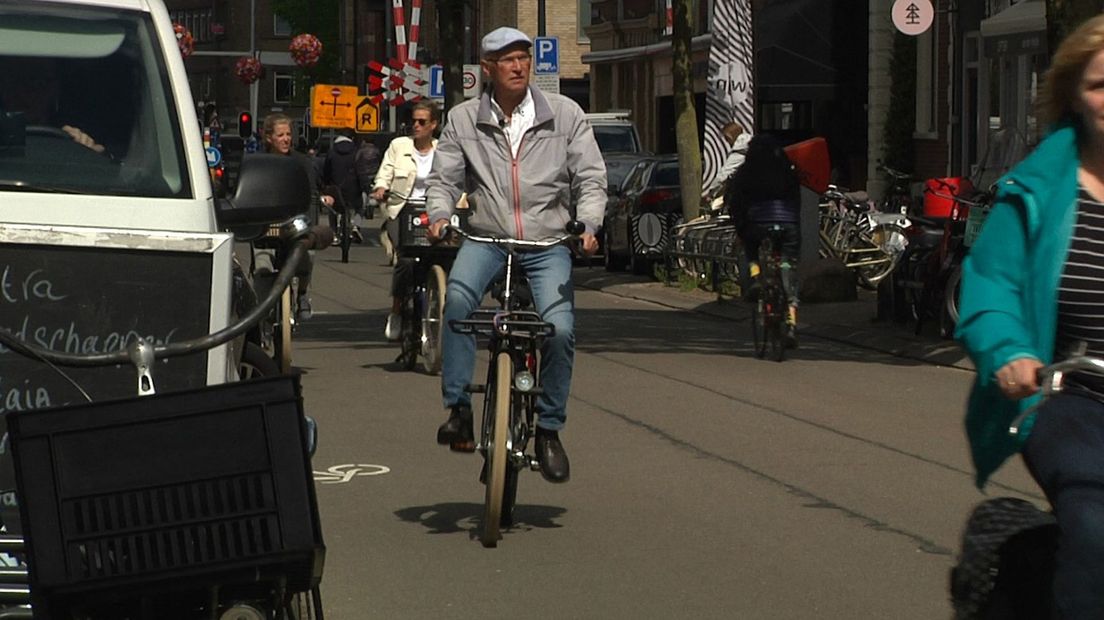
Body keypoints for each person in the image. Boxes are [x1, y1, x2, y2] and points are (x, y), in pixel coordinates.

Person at [956, 15, 1104, 618]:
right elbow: (991, 287)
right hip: (1073, 398)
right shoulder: (1040, 189)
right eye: (1100, 85)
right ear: (1074, 95)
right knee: (1096, 524)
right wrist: (1009, 351)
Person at [424, 26, 606, 483]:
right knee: (460, 304)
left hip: (547, 244)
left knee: (560, 329)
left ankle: (548, 429)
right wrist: (440, 217)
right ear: (488, 68)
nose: (519, 65)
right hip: (486, 237)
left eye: (524, 57)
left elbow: (590, 177)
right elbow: (444, 181)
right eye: (507, 59)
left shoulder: (565, 114)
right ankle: (460, 409)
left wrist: (588, 225)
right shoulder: (464, 119)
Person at [371, 100, 441, 340]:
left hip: (433, 212)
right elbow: (385, 172)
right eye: (413, 121)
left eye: (422, 122)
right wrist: (381, 188)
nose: (416, 125)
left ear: (434, 124)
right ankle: (397, 311)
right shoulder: (399, 146)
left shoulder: (443, 150)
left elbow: (455, 181)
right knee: (406, 261)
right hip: (402, 210)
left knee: (446, 256)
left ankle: (441, 304)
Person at [724, 133, 801, 347]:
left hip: (758, 223)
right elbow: (797, 199)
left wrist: (741, 228)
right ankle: (791, 322)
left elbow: (736, 201)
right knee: (788, 265)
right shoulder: (788, 170)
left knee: (751, 248)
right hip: (788, 224)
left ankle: (756, 278)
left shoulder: (746, 172)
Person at [260, 113, 336, 320]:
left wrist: (310, 223)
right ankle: (261, 310)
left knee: (306, 254)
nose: (286, 139)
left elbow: (310, 195)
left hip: (294, 222)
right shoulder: (258, 163)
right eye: (280, 135)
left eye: (288, 134)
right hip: (266, 224)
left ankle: (302, 293)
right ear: (268, 138)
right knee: (262, 264)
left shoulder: (301, 162)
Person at [0, 56, 104, 154]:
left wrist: (85, 151)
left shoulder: (70, 133)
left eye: (37, 83)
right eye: (12, 80)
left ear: (55, 89)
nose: (21, 92)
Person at [322, 127, 366, 245]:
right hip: (353, 189)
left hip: (336, 189)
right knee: (360, 207)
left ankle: (334, 234)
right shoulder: (357, 151)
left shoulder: (331, 151)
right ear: (352, 138)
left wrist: (325, 186)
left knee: (332, 209)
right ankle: (356, 225)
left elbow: (326, 171)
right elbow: (361, 172)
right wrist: (365, 187)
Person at [703, 121, 752, 210]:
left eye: (726, 138)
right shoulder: (752, 144)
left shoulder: (739, 151)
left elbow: (723, 175)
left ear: (730, 137)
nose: (727, 142)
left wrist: (711, 193)